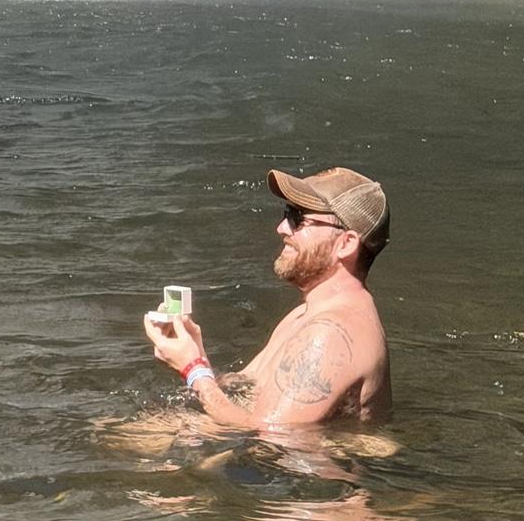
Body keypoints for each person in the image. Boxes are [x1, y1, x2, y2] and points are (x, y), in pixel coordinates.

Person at [144, 166, 392, 427]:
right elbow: (246, 389)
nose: (282, 228)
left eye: (298, 218)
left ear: (347, 243)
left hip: (285, 453)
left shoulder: (330, 334)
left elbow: (269, 433)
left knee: (140, 437)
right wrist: (192, 353)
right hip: (266, 443)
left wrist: (192, 368)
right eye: (287, 213)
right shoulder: (305, 314)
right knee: (142, 430)